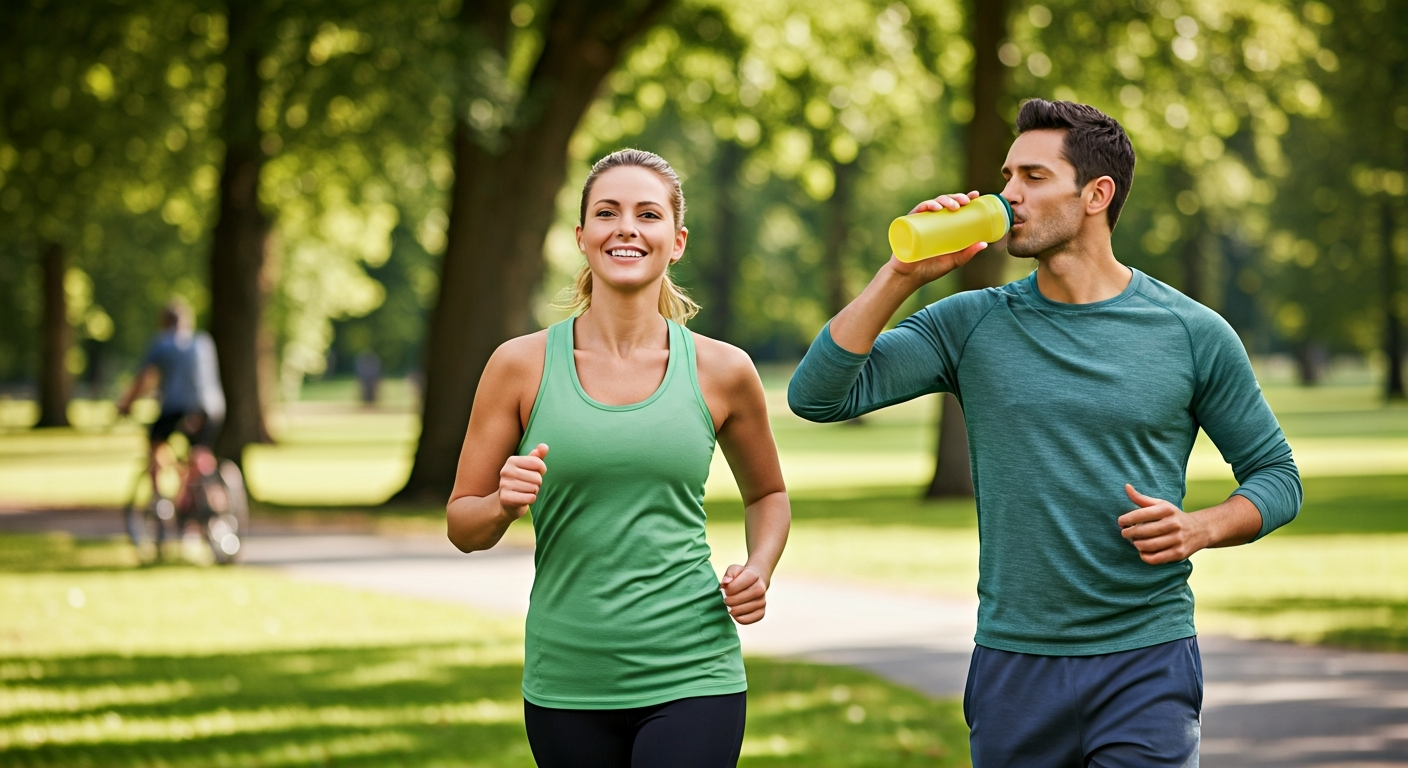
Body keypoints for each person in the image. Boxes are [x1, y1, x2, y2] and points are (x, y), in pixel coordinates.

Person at [788, 100, 1301, 766]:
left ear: (1097, 194)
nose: (1009, 195)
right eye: (1008, 176)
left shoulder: (1192, 334)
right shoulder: (969, 324)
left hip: (1145, 659)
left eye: (1032, 176)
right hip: (1015, 667)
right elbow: (818, 396)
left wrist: (1202, 527)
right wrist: (901, 277)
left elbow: (1277, 477)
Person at [447, 149, 791, 768]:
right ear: (582, 237)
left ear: (676, 240)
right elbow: (462, 524)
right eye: (607, 213)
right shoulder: (519, 367)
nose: (626, 227)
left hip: (695, 672)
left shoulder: (723, 370)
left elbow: (768, 494)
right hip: (567, 679)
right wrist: (501, 504)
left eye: (647, 214)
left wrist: (760, 567)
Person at [117, 298, 227, 503]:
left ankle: (159, 501)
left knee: (156, 442)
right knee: (199, 451)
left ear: (163, 322)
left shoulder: (162, 343)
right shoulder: (203, 342)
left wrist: (126, 404)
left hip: (177, 406)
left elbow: (143, 379)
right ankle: (212, 500)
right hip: (212, 408)